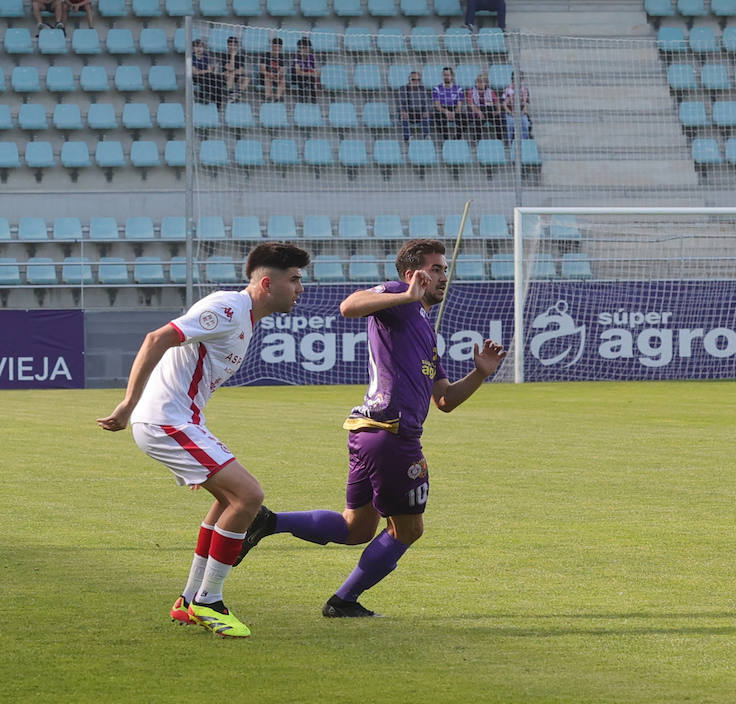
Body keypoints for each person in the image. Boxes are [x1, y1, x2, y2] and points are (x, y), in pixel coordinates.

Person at [233, 239, 507, 618]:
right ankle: (343, 601)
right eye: (438, 268)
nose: (445, 276)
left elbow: (444, 400)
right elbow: (349, 306)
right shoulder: (399, 297)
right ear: (413, 275)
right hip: (391, 435)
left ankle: (269, 521)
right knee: (408, 530)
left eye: (445, 269)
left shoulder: (425, 330)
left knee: (357, 528)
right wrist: (406, 294)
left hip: (371, 432)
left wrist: (479, 373)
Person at [96, 243, 311, 638]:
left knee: (229, 499)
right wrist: (128, 404)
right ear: (267, 283)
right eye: (295, 279)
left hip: (182, 420)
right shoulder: (229, 309)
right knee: (248, 497)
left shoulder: (244, 317)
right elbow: (156, 338)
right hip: (166, 420)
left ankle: (189, 599)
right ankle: (208, 602)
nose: (301, 288)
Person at [395, 69, 432, 142]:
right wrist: (403, 111)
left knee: (427, 116)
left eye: (418, 80)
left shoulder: (422, 89)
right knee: (403, 116)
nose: (416, 81)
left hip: (420, 113)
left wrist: (426, 111)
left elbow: (428, 102)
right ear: (409, 80)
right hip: (408, 112)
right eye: (413, 79)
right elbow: (399, 102)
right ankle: (407, 137)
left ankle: (426, 136)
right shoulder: (403, 89)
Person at [465, 73, 501, 140]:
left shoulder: (490, 91)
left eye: (482, 81)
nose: (480, 83)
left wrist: (498, 110)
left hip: (488, 111)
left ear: (486, 83)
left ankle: (500, 139)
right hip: (475, 111)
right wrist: (478, 111)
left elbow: (496, 101)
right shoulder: (471, 91)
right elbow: (470, 103)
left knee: (498, 118)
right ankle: (477, 139)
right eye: (478, 81)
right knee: (478, 118)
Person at [433, 66, 465, 140]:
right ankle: (446, 139)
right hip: (442, 108)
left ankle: (456, 138)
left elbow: (459, 106)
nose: (446, 77)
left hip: (454, 108)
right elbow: (437, 105)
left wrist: (454, 112)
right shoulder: (437, 88)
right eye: (444, 75)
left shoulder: (458, 88)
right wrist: (445, 111)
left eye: (448, 75)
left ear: (452, 76)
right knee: (438, 118)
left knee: (464, 119)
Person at [190, 39, 224, 107]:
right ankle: (203, 97)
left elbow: (210, 70)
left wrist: (204, 71)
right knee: (206, 77)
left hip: (206, 76)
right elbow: (195, 72)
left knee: (217, 78)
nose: (199, 48)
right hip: (195, 78)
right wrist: (205, 71)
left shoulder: (205, 56)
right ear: (193, 48)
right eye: (196, 46)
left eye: (200, 46)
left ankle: (217, 102)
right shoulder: (191, 57)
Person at [288, 38, 320, 103]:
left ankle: (313, 100)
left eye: (306, 48)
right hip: (296, 77)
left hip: (307, 76)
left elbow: (316, 71)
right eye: (302, 48)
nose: (304, 49)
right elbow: (298, 72)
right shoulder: (296, 57)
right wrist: (311, 73)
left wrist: (314, 73)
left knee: (311, 80)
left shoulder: (311, 57)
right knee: (302, 79)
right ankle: (302, 99)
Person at [220, 35, 248, 102]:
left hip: (236, 76)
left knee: (246, 79)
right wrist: (232, 56)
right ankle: (231, 94)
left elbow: (241, 71)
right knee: (231, 74)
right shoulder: (224, 55)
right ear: (227, 45)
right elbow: (230, 68)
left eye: (234, 45)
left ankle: (238, 94)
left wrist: (233, 71)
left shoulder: (241, 56)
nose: (232, 47)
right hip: (226, 76)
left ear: (236, 46)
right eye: (230, 45)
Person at [258, 37, 287, 102]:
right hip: (265, 77)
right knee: (267, 77)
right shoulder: (266, 55)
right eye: (275, 46)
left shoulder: (281, 57)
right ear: (272, 46)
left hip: (276, 78)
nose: (277, 48)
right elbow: (262, 70)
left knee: (283, 79)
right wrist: (273, 76)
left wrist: (279, 76)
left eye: (279, 47)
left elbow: (282, 71)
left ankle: (278, 98)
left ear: (281, 47)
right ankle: (268, 97)